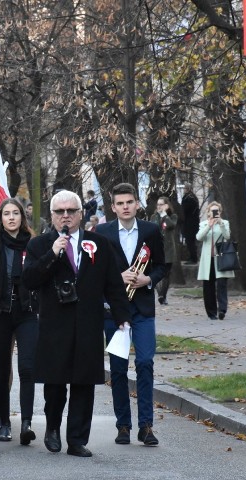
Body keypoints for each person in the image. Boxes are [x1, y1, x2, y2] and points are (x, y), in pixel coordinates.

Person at [22, 190, 131, 457]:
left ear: (81, 214)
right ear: (52, 216)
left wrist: (122, 319)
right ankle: (52, 429)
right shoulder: (39, 244)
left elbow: (113, 285)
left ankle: (77, 439)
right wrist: (52, 254)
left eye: (71, 211)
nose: (66, 216)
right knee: (55, 384)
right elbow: (29, 280)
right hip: (54, 325)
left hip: (87, 324)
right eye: (60, 212)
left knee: (84, 383)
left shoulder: (99, 244)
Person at [98, 183, 167, 447]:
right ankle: (123, 425)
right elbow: (96, 271)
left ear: (137, 204)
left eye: (130, 202)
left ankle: (146, 426)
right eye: (120, 203)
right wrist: (118, 278)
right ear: (113, 207)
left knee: (145, 363)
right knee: (117, 369)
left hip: (143, 310)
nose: (125, 207)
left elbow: (161, 265)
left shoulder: (150, 230)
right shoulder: (103, 232)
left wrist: (148, 279)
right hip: (113, 312)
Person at [0, 198, 39, 445]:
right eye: (7, 214)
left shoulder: (34, 245)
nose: (12, 217)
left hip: (27, 311)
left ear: (22, 217)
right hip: (1, 311)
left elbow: (42, 274)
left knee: (27, 367)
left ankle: (26, 422)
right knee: (2, 368)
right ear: (0, 218)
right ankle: (3, 421)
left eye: (16, 213)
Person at [197, 201, 234, 320]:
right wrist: (209, 226)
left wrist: (220, 223)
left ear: (220, 212)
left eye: (216, 211)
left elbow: (227, 236)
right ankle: (211, 312)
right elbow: (199, 237)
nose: (214, 213)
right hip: (208, 260)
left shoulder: (225, 223)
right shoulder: (203, 224)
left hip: (221, 258)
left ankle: (222, 309)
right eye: (212, 211)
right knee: (208, 286)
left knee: (222, 284)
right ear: (208, 212)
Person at [149, 196, 178, 305]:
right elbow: (151, 229)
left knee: (166, 274)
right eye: (158, 204)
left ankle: (162, 296)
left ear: (166, 205)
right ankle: (160, 292)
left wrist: (164, 215)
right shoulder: (153, 217)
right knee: (154, 272)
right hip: (156, 248)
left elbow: (171, 225)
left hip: (168, 249)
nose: (159, 206)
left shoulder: (172, 216)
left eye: (161, 204)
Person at [181, 185, 200, 263]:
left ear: (187, 189)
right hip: (192, 223)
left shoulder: (189, 198)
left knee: (190, 241)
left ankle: (193, 258)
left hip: (190, 224)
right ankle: (192, 257)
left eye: (184, 188)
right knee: (190, 241)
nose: (183, 190)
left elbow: (184, 210)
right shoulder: (192, 197)